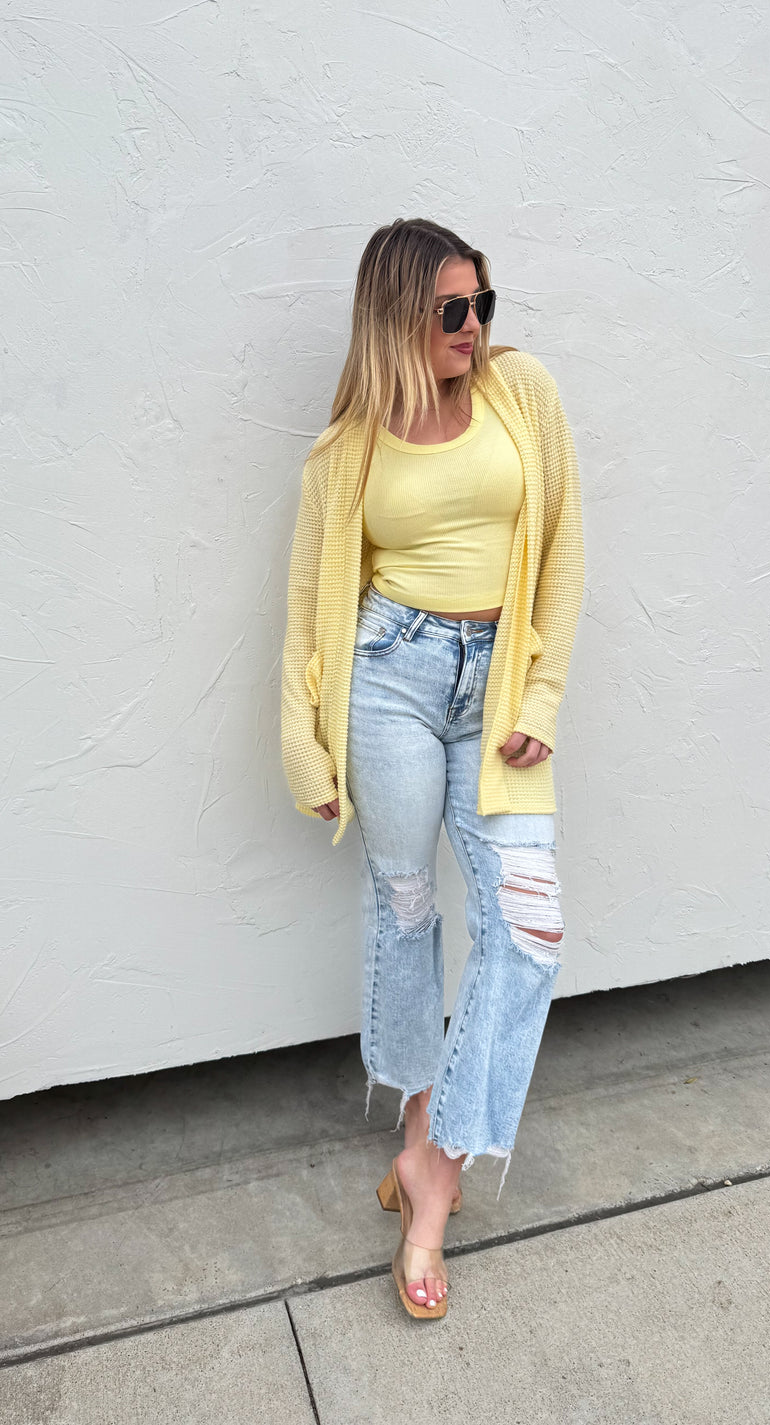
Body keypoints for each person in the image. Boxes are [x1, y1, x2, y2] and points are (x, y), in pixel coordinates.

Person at [280, 217, 584, 1319]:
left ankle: (435, 1168)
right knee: (407, 909)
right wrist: (304, 739)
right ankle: (416, 1129)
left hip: (495, 690)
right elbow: (309, 605)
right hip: (390, 680)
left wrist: (540, 697)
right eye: (452, 309)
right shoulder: (346, 451)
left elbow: (563, 553)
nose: (473, 325)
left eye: (482, 303)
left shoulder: (522, 394)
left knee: (529, 926)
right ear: (398, 316)